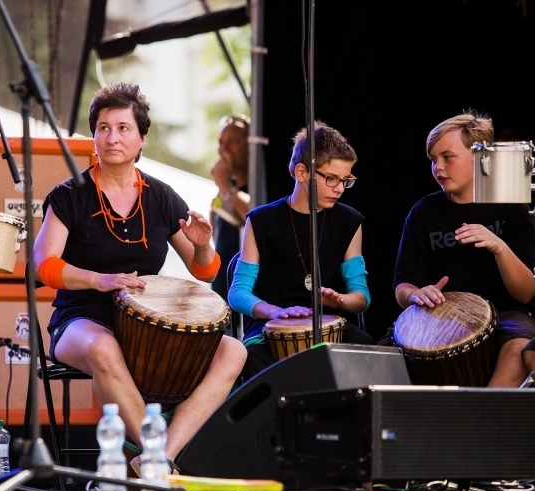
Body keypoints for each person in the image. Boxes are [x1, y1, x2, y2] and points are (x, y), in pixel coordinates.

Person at [32, 83, 246, 475]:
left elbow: (205, 271)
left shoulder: (162, 197)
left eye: (123, 127)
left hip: (149, 329)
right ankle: (156, 459)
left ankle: (158, 458)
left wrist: (202, 247)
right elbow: (42, 266)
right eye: (103, 127)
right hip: (82, 320)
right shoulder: (69, 196)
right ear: (93, 136)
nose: (112, 137)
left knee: (234, 351)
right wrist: (99, 280)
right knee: (104, 348)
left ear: (142, 138)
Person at [393, 110, 535, 388]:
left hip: (506, 314)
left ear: (479, 157)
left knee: (518, 345)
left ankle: (481, 422)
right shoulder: (423, 212)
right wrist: (416, 294)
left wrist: (500, 248)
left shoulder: (511, 207)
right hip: (440, 317)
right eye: (433, 160)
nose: (438, 168)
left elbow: (526, 292)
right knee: (384, 351)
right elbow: (402, 287)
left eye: (447, 157)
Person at [228, 121, 374, 381]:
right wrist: (274, 312)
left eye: (346, 180)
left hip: (331, 324)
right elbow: (238, 294)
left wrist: (340, 300)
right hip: (268, 327)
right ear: (302, 172)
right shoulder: (261, 221)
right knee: (254, 359)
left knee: (368, 350)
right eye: (331, 178)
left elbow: (361, 298)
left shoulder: (350, 222)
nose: (339, 189)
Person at [209, 115, 250, 312]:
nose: (224, 149)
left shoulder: (257, 188)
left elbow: (254, 216)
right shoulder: (227, 189)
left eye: (233, 141)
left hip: (247, 302)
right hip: (221, 297)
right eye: (221, 142)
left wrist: (225, 186)